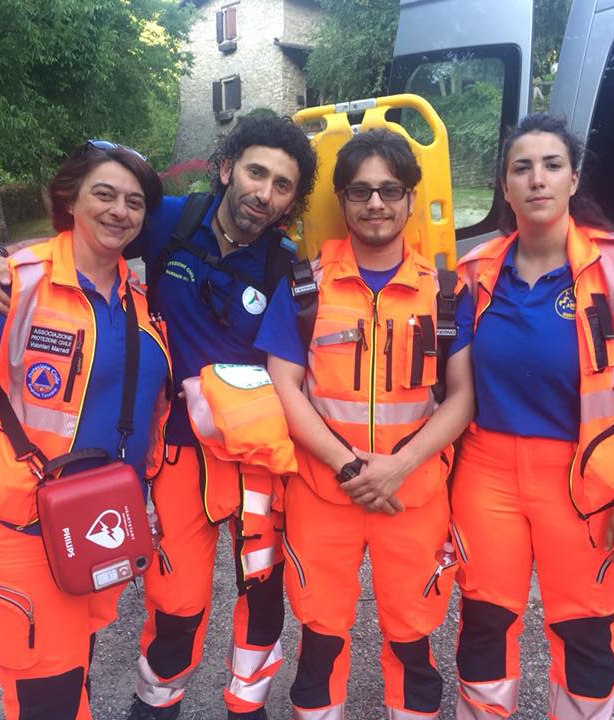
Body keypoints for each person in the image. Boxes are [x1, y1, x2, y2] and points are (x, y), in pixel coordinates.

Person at [0, 116, 318, 720]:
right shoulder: (170, 220)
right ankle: (156, 705)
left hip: (257, 457)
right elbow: (79, 241)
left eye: (282, 185)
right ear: (226, 169)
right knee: (177, 600)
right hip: (177, 449)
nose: (264, 193)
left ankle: (247, 705)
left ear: (291, 200)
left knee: (262, 592)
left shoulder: (286, 263)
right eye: (256, 172)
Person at [0, 140, 171, 720]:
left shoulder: (141, 303)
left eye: (134, 202)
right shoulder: (11, 283)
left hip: (96, 527)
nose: (119, 211)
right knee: (48, 699)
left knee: (73, 673)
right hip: (18, 529)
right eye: (104, 194)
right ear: (70, 200)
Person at [450, 113, 614, 719]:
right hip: (486, 474)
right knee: (485, 621)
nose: (537, 179)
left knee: (584, 630)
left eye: (552, 165)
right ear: (505, 186)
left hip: (582, 480)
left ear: (573, 179)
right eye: (522, 168)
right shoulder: (476, 272)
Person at [256, 128, 475, 719]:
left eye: (389, 190)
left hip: (413, 494)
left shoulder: (447, 293)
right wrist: (350, 468)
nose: (375, 203)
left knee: (412, 639)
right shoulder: (304, 286)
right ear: (342, 200)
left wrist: (399, 466)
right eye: (360, 191)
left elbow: (462, 398)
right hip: (324, 494)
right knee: (320, 641)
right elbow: (283, 386)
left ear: (410, 198)